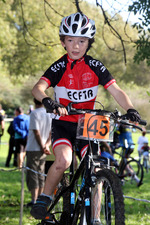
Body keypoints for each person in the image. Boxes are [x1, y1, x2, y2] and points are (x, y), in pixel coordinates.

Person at [30, 12, 141, 224]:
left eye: (81, 41)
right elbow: (38, 88)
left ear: (88, 43)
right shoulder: (59, 66)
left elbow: (116, 90)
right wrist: (47, 100)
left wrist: (131, 108)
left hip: (88, 125)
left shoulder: (95, 66)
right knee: (64, 160)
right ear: (63, 42)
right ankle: (44, 198)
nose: (76, 46)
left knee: (97, 169)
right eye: (70, 40)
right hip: (63, 124)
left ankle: (96, 218)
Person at [25, 98, 52, 207]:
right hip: (44, 148)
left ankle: (34, 200)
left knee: (33, 174)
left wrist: (41, 146)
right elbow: (51, 132)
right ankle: (40, 199)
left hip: (34, 148)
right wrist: (47, 145)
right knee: (41, 174)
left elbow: (36, 132)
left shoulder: (34, 113)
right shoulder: (48, 113)